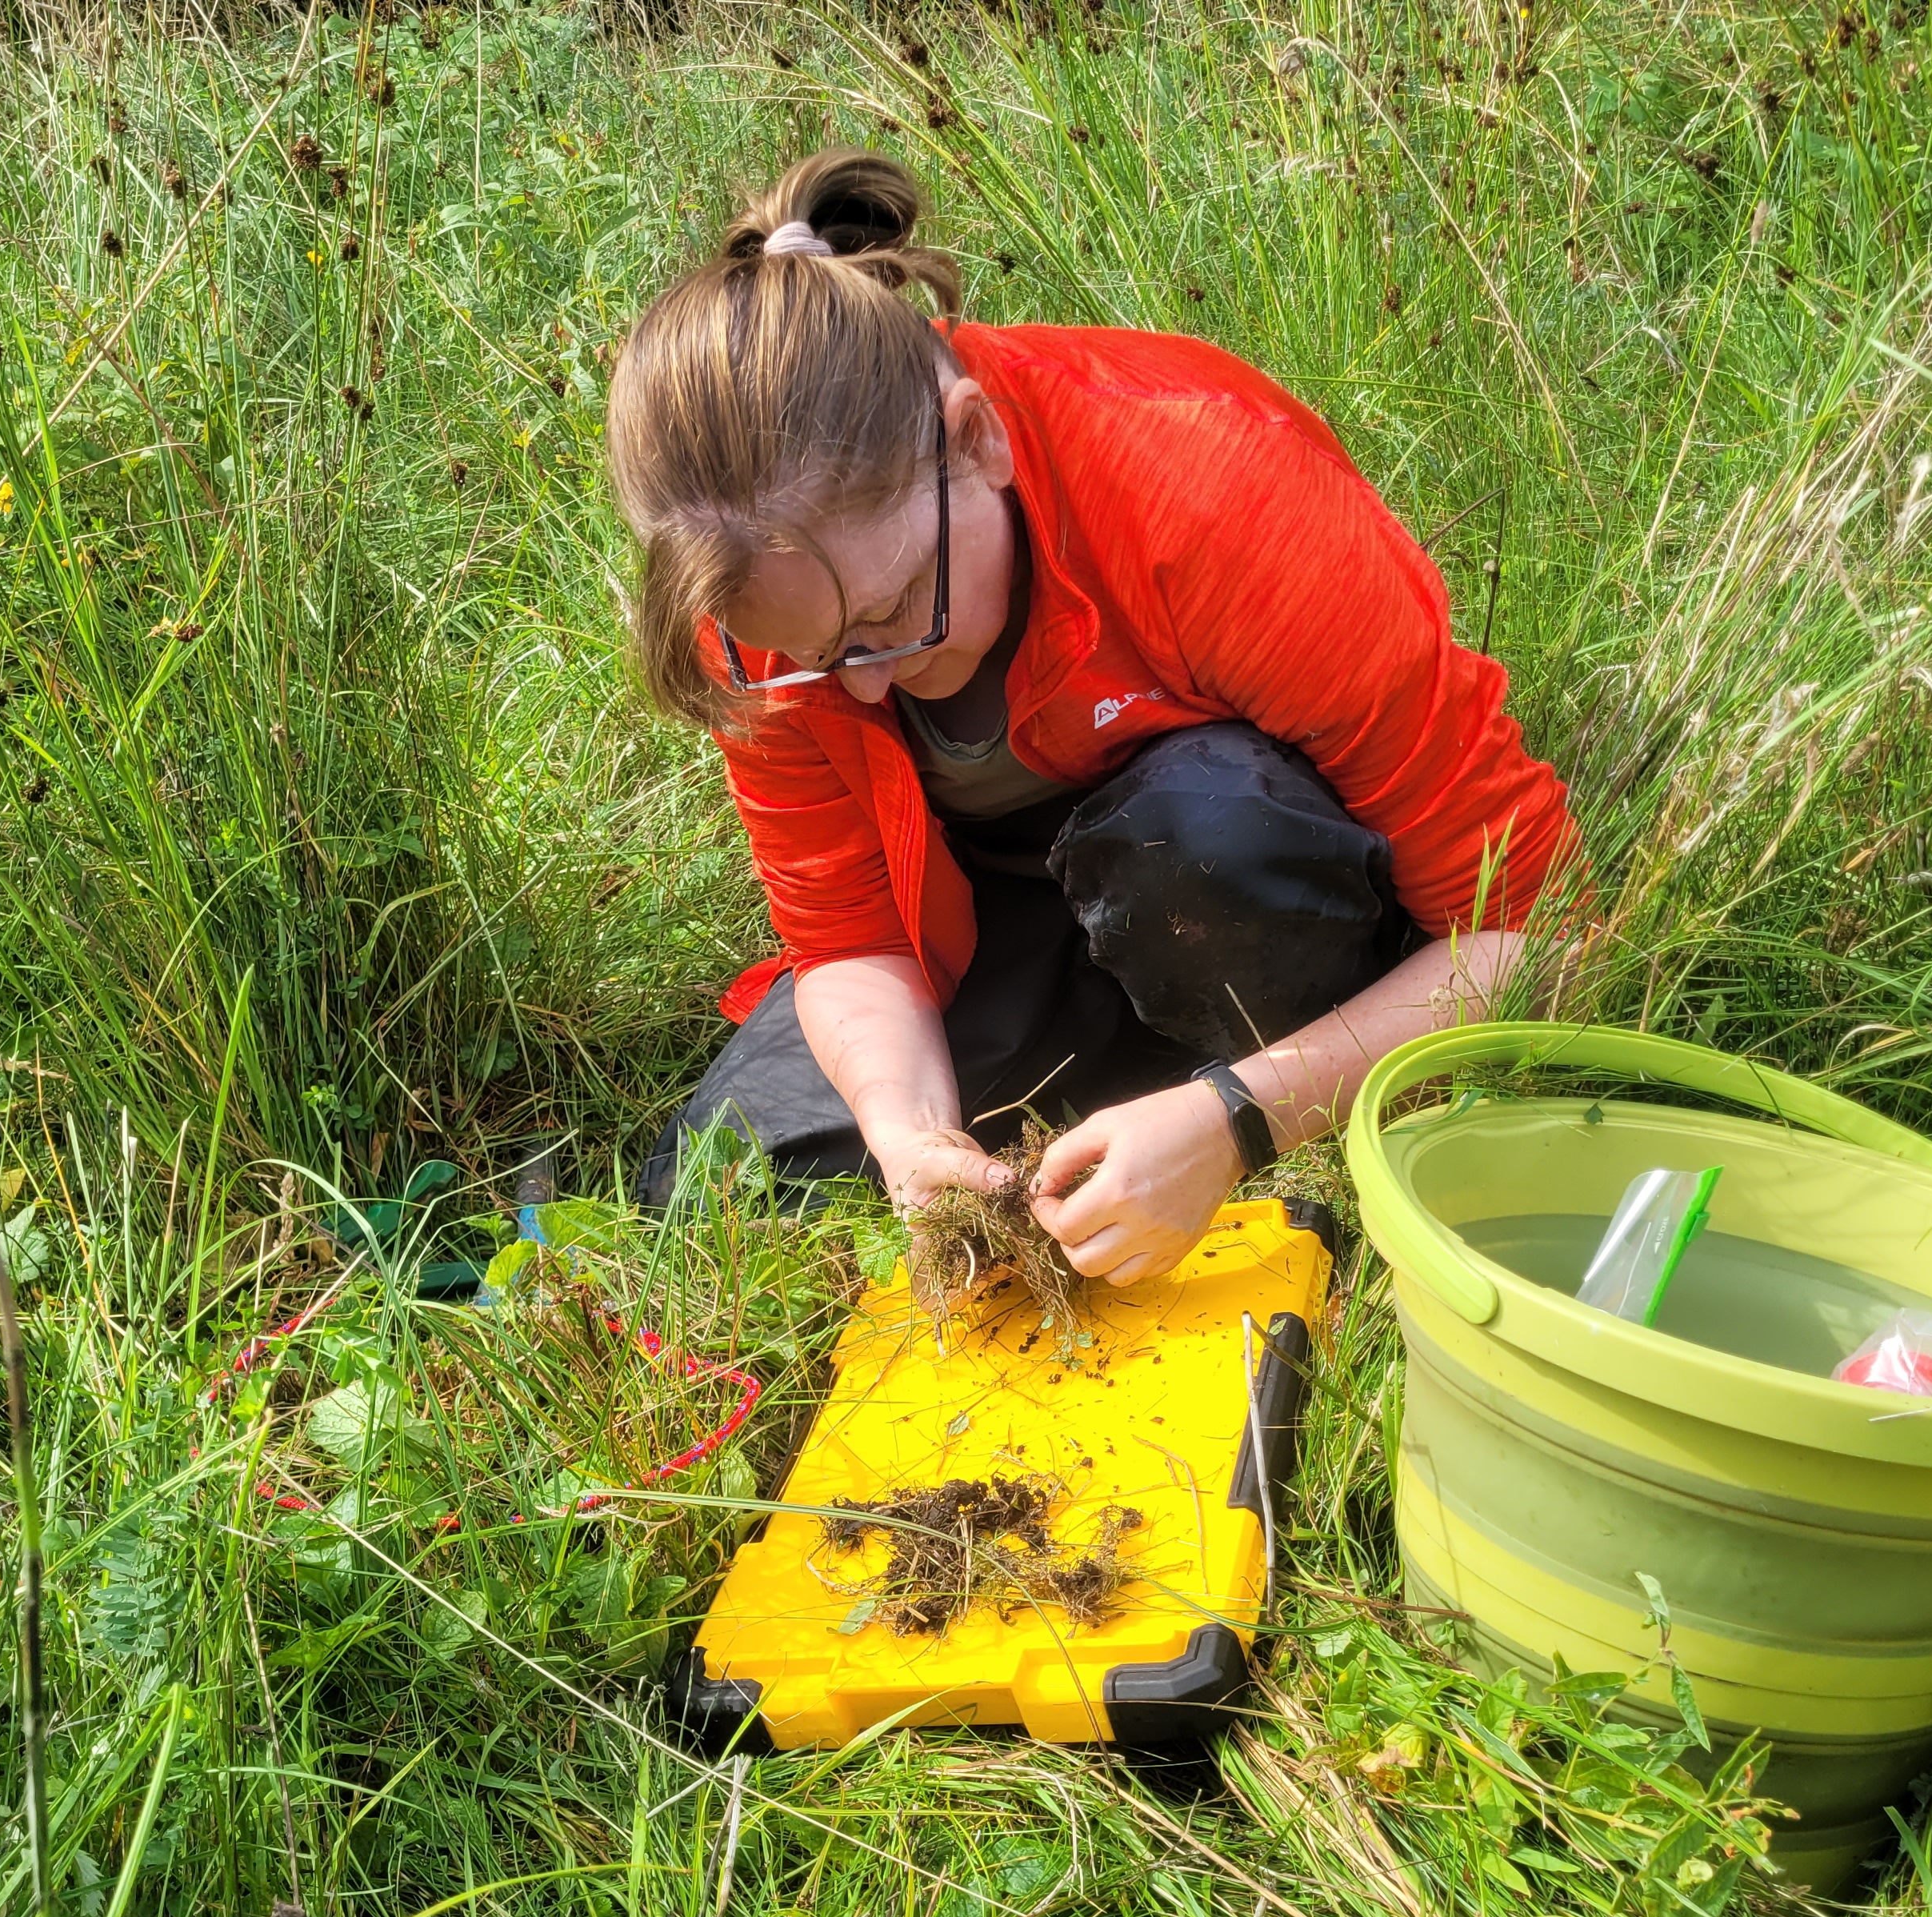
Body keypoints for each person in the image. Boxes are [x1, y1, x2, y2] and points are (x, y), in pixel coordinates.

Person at [611, 150, 1576, 1284]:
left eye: (888, 620)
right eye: (818, 661)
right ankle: (1117, 1107)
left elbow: (1536, 933)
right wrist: (905, 1130)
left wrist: (1238, 1120)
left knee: (1208, 840)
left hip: (1218, 864)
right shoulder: (742, 599)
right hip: (1005, 915)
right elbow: (850, 939)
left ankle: (1253, 1082)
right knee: (723, 1177)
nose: (865, 686)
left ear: (979, 443)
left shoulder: (1210, 494)